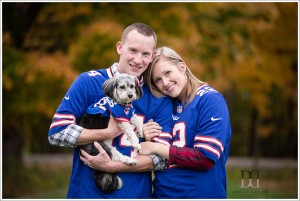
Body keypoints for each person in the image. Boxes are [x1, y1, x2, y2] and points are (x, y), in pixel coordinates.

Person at [48, 23, 172, 199]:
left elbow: (162, 159)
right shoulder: (87, 82)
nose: (138, 60)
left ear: (152, 56)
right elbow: (57, 132)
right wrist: (106, 132)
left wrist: (113, 166)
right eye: (133, 50)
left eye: (145, 54)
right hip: (87, 193)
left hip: (136, 194)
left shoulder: (158, 96)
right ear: (120, 48)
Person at [138, 46, 232, 198]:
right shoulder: (165, 105)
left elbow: (204, 157)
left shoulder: (210, 100)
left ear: (182, 67)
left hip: (199, 195)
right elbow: (149, 154)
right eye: (158, 80)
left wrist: (154, 146)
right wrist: (145, 136)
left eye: (167, 73)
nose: (165, 82)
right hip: (162, 194)